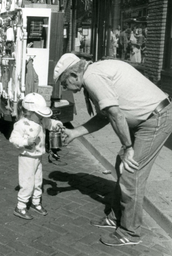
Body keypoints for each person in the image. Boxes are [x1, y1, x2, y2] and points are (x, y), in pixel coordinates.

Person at [54, 53, 172, 246]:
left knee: (131, 173)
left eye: (64, 82)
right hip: (147, 119)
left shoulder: (92, 77)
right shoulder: (93, 73)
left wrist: (128, 147)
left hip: (155, 120)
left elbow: (116, 114)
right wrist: (75, 132)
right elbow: (104, 116)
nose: (65, 87)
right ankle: (116, 216)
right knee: (121, 163)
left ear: (74, 75)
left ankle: (130, 232)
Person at [9, 93, 63, 220]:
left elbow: (49, 123)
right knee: (27, 182)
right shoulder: (21, 124)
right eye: (39, 114)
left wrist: (57, 124)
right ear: (28, 112)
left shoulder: (41, 120)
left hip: (38, 156)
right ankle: (20, 206)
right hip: (27, 157)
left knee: (38, 181)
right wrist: (25, 142)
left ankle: (36, 202)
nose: (41, 117)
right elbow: (13, 139)